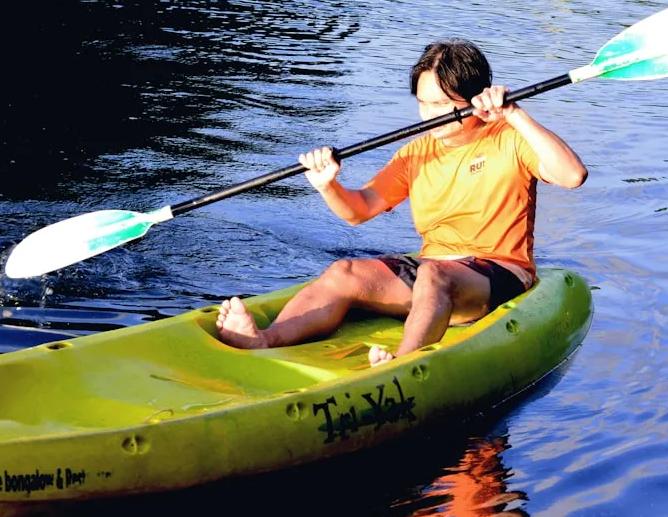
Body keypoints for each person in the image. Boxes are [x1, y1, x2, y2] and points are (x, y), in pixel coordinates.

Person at [216, 40, 587, 367]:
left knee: (433, 275)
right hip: (435, 267)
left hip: (499, 272)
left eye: (442, 104)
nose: (430, 116)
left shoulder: (509, 137)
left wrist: (514, 113)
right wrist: (328, 185)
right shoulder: (416, 153)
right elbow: (359, 211)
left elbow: (572, 176)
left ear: (475, 98)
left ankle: (404, 364)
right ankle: (265, 339)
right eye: (424, 104)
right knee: (344, 271)